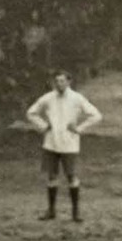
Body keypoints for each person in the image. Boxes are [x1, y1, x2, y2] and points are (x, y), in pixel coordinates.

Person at [25, 70, 102, 221]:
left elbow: (96, 115)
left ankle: (75, 213)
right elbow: (31, 112)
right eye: (57, 81)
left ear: (69, 82)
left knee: (71, 176)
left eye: (62, 81)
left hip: (69, 143)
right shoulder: (48, 98)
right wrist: (43, 126)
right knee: (52, 176)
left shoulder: (76, 98)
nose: (59, 84)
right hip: (51, 142)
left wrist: (79, 128)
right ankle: (51, 211)